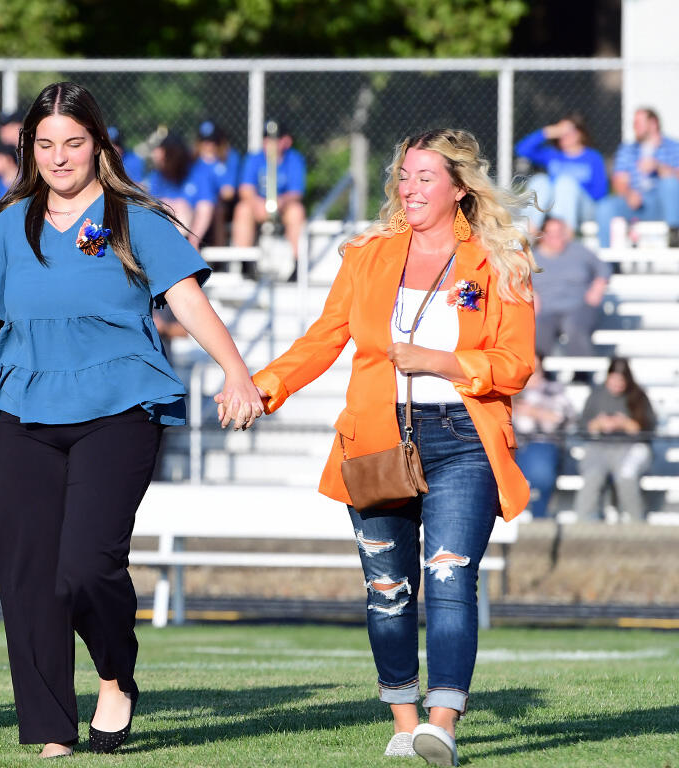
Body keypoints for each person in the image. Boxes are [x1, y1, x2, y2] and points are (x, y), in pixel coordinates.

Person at [0, 81, 263, 758]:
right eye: (46, 144)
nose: (60, 156)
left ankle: (116, 675)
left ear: (98, 145)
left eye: (73, 142)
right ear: (28, 149)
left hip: (119, 408)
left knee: (87, 568)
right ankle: (50, 730)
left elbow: (187, 300)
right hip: (27, 410)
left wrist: (236, 372)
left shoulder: (134, 219)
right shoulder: (11, 223)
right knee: (27, 572)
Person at [249, 129, 537, 766]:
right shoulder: (368, 255)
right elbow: (323, 339)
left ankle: (442, 723)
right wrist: (262, 388)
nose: (409, 187)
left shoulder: (500, 259)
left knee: (450, 577)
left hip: (464, 440)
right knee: (387, 588)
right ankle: (405, 722)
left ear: (459, 188)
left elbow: (516, 363)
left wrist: (442, 361)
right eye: (405, 175)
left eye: (425, 177)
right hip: (378, 437)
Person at [574, 357, 656, 523]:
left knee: (626, 475)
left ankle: (636, 522)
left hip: (630, 447)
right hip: (600, 446)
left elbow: (648, 427)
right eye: (614, 379)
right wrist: (598, 424)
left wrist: (624, 424)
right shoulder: (596, 395)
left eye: (621, 380)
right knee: (593, 476)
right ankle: (584, 523)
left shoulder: (638, 396)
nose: (617, 384)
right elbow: (582, 426)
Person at [596, 107, 679, 246]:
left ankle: (675, 236)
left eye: (638, 123)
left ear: (653, 123)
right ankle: (605, 257)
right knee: (605, 207)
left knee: (669, 183)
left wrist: (659, 167)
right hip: (637, 203)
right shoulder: (627, 150)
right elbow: (619, 180)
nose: (634, 127)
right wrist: (628, 194)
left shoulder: (674, 147)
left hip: (663, 204)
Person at [532, 217, 610, 357]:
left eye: (560, 232)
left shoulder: (579, 251)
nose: (557, 237)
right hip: (547, 310)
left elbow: (603, 268)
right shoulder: (532, 258)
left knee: (574, 327)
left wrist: (597, 287)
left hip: (580, 306)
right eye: (552, 233)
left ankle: (582, 368)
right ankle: (539, 367)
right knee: (538, 328)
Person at [516, 114, 608, 233]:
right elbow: (522, 150)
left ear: (580, 133)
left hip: (584, 208)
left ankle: (565, 234)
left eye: (568, 131)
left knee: (565, 183)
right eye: (561, 131)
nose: (564, 135)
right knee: (540, 180)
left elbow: (600, 193)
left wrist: (573, 191)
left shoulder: (593, 157)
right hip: (555, 206)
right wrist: (546, 132)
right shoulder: (553, 154)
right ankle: (530, 232)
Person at [232, 120, 306, 262]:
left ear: (286, 141)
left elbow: (296, 192)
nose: (269, 143)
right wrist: (257, 203)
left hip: (283, 207)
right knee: (243, 209)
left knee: (297, 211)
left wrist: (282, 201)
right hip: (258, 206)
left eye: (275, 139)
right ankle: (243, 262)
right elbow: (245, 189)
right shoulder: (254, 158)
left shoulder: (294, 159)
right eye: (266, 138)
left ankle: (297, 263)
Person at [512, 354, 574, 520]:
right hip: (508, 443)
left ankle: (539, 518)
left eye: (535, 369)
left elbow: (562, 418)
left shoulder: (553, 390)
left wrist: (534, 412)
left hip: (541, 442)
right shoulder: (510, 389)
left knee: (540, 471)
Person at [145, 134, 216, 246]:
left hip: (190, 234)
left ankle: (180, 248)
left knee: (180, 207)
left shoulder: (196, 173)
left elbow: (205, 208)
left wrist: (194, 240)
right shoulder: (157, 176)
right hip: (160, 235)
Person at [194, 120, 241, 245]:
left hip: (220, 204)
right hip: (195, 202)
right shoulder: (193, 160)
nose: (209, 145)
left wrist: (212, 164)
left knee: (216, 209)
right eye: (204, 141)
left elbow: (228, 192)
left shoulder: (229, 157)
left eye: (213, 141)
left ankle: (218, 253)